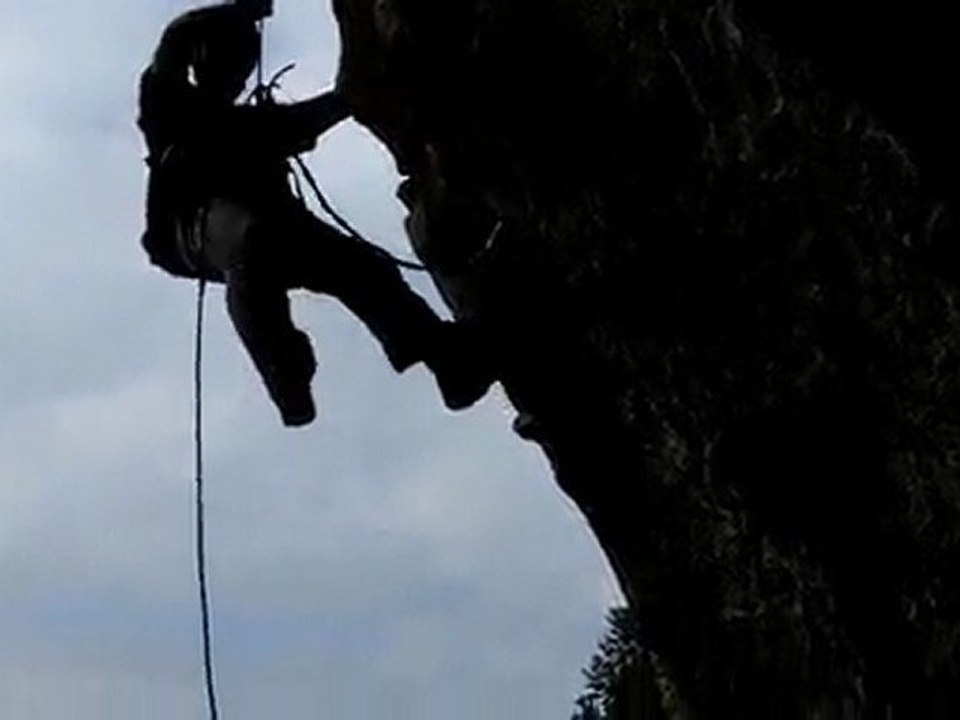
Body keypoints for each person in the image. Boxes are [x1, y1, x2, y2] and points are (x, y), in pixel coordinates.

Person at [137, 0, 490, 426]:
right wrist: (240, 11)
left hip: (276, 226)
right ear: (201, 62)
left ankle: (444, 360)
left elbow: (312, 118)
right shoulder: (167, 103)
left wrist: (351, 96)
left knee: (363, 269)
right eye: (227, 65)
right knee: (253, 241)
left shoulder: (259, 126)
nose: (234, 78)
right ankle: (286, 376)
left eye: (239, 68)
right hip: (194, 228)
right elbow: (174, 43)